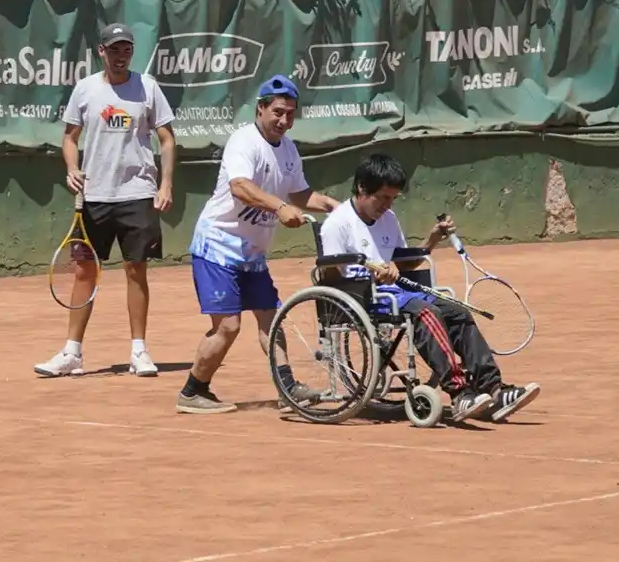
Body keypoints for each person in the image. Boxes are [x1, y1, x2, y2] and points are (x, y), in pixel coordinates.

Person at [318, 152, 541, 423]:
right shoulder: (337, 223)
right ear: (362, 188)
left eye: (393, 199)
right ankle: (460, 393)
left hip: (396, 293)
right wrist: (372, 272)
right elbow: (330, 273)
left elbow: (405, 262)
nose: (388, 205)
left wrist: (432, 239)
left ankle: (492, 388)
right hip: (361, 298)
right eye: (383, 198)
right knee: (426, 312)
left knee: (457, 312)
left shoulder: (388, 218)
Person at [176, 75, 339, 414]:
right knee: (228, 327)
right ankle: (193, 391)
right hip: (218, 246)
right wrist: (279, 207)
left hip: (252, 255)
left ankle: (287, 388)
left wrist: (334, 207)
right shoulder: (244, 141)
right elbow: (240, 186)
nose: (284, 120)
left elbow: (300, 194)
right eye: (278, 112)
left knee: (272, 320)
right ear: (261, 108)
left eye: (291, 114)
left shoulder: (289, 149)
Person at [35, 23, 176, 379]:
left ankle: (139, 352)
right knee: (85, 271)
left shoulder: (148, 87)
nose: (120, 55)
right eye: (114, 49)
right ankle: (72, 352)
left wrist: (165, 185)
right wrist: (72, 167)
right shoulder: (85, 89)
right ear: (101, 51)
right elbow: (69, 138)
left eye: (126, 49)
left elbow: (167, 139)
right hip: (94, 197)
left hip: (138, 193)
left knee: (136, 270)